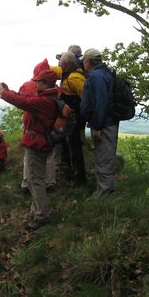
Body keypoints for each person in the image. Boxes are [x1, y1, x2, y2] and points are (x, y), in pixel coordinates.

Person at [0, 63, 58, 231]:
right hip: (43, 142)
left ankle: (40, 216)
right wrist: (10, 92)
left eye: (38, 82)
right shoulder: (51, 96)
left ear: (45, 84)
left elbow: (25, 103)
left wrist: (4, 94)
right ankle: (36, 210)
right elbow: (27, 101)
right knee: (35, 178)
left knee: (35, 180)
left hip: (37, 143)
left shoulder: (45, 101)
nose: (35, 84)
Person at [80, 48, 119, 199]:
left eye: (84, 61)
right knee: (105, 155)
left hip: (104, 124)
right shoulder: (103, 74)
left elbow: (101, 103)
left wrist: (97, 126)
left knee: (104, 157)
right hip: (106, 122)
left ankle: (103, 193)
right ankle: (107, 189)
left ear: (88, 61)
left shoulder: (97, 76)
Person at [19, 59, 62, 193]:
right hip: (49, 126)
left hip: (31, 125)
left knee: (29, 156)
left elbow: (22, 99)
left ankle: (26, 182)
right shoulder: (55, 88)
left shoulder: (27, 85)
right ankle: (50, 182)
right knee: (49, 156)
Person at [58, 51, 87, 187]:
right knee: (71, 146)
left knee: (75, 148)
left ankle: (80, 179)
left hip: (75, 119)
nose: (58, 65)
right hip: (71, 118)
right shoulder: (69, 75)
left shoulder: (74, 78)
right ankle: (72, 174)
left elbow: (86, 98)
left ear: (64, 64)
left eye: (60, 63)